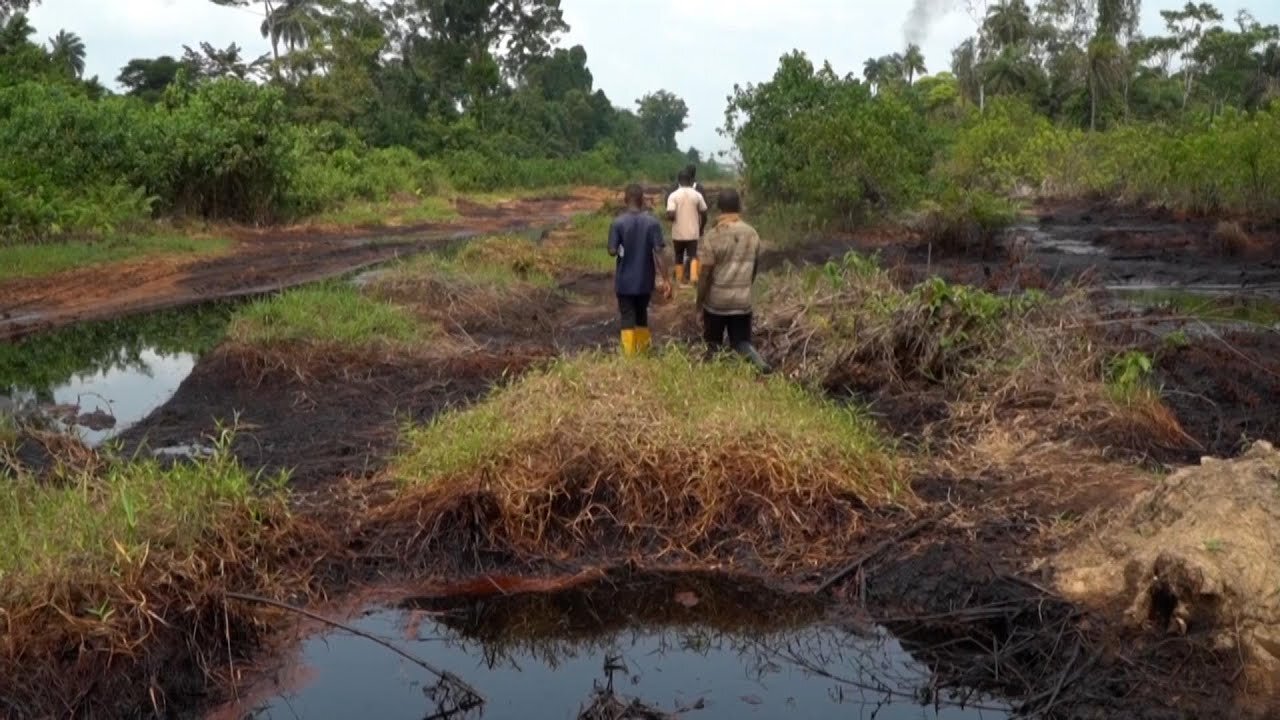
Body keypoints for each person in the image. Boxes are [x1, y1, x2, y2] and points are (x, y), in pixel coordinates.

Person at [695, 188, 770, 373]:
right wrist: (745, 288)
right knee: (741, 342)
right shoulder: (752, 233)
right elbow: (753, 268)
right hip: (742, 301)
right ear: (739, 207)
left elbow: (705, 274)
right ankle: (760, 365)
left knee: (713, 344)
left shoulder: (713, 236)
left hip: (716, 303)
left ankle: (714, 376)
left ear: (719, 208)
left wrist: (699, 302)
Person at [609, 184, 670, 356]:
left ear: (625, 200)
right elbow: (659, 253)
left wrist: (621, 246)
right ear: (642, 200)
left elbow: (612, 251)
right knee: (642, 314)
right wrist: (666, 279)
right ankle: (643, 351)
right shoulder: (652, 223)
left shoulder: (618, 223)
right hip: (645, 280)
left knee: (627, 316)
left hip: (624, 281)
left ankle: (629, 356)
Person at [666, 169, 707, 287]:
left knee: (679, 255)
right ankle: (694, 278)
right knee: (693, 254)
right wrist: (701, 227)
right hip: (693, 232)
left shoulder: (673, 195)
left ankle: (680, 280)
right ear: (690, 180)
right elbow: (704, 212)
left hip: (678, 233)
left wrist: (670, 218)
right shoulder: (697, 195)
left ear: (678, 181)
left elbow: (671, 214)